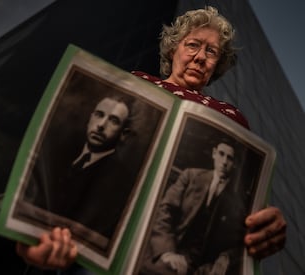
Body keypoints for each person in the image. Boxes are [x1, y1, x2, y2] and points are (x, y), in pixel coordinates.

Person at [16, 6, 287, 274]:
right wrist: (38, 230)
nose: (201, 57)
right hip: (108, 246)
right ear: (173, 49)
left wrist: (265, 225)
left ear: (218, 63)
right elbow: (87, 164)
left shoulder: (232, 117)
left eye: (211, 51)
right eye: (193, 45)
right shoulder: (134, 83)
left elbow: (243, 198)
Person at [20, 95, 136, 251]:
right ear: (90, 118)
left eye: (113, 121)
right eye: (99, 115)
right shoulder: (56, 152)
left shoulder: (121, 181)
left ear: (124, 134)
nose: (101, 125)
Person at [140, 137, 249, 275]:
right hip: (170, 248)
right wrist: (167, 251)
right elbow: (164, 211)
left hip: (202, 266)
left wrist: (225, 258)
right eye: (221, 154)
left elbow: (239, 243)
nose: (224, 162)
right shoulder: (191, 176)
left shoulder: (237, 203)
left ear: (235, 164)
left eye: (230, 158)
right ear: (214, 153)